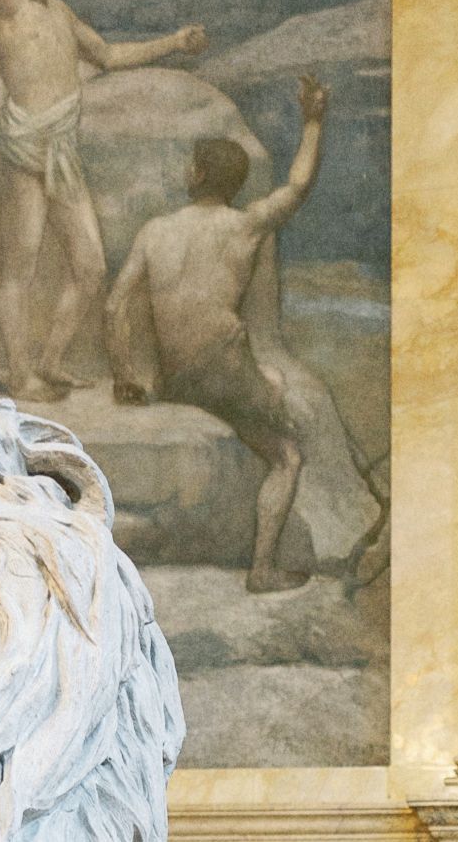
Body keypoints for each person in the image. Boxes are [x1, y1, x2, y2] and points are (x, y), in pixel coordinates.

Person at [0, 0, 208, 403]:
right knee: (20, 266)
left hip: (62, 151)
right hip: (22, 149)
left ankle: (50, 361)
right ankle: (20, 375)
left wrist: (174, 42)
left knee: (91, 266)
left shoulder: (60, 12)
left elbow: (107, 56)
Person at [108, 79, 328, 596]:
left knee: (269, 379)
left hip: (176, 377)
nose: (184, 170)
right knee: (287, 455)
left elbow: (116, 304)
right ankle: (263, 569)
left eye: (190, 163)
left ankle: (263, 565)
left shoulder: (155, 230)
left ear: (200, 173)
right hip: (225, 373)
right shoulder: (245, 226)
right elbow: (297, 186)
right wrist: (314, 122)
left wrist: (126, 376)